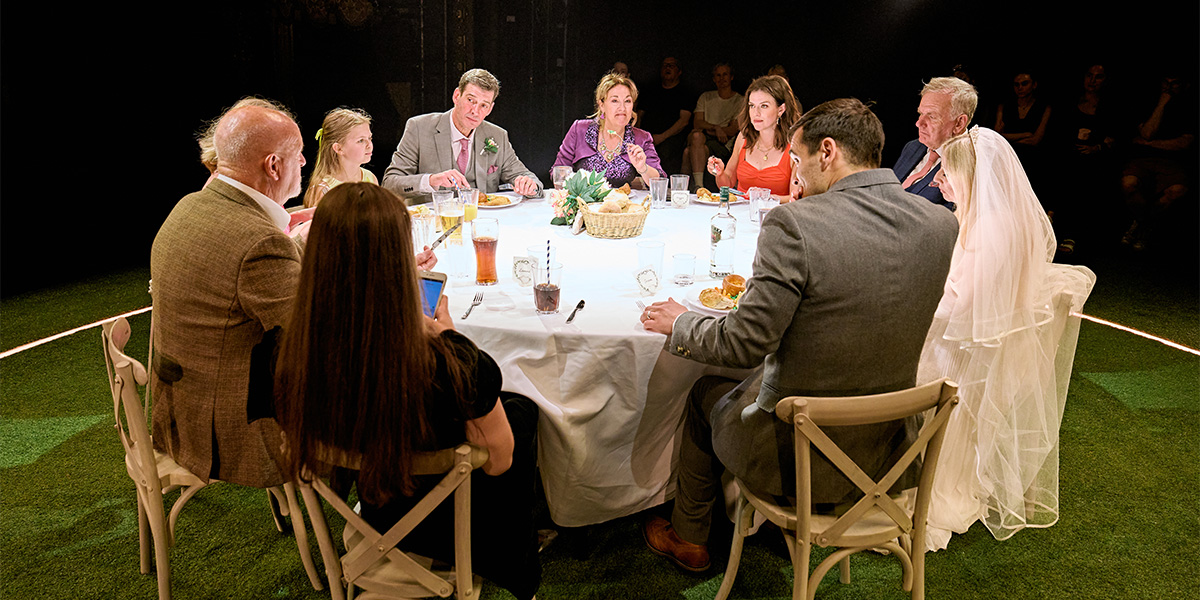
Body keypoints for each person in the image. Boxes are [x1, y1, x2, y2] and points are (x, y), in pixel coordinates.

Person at [639, 98, 959, 571]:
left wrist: (680, 322)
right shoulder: (940, 224)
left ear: (827, 151)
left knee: (705, 391)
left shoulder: (794, 224)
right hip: (888, 454)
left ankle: (688, 535)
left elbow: (742, 343)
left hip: (802, 456)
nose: (796, 171)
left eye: (799, 157)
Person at [274, 183, 541, 599]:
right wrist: (447, 333)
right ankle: (518, 562)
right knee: (520, 414)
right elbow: (499, 464)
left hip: (374, 509)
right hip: (446, 529)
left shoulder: (291, 352)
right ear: (399, 258)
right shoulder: (454, 365)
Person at [918, 127, 1096, 551]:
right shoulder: (986, 218)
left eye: (947, 172)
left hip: (964, 355)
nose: (939, 179)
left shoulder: (991, 233)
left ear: (974, 179)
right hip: (977, 345)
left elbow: (964, 315)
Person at [151, 104, 309, 488]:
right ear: (273, 166)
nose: (304, 161)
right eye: (298, 153)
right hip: (225, 429)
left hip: (174, 411)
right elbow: (319, 333)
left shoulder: (188, 206)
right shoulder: (260, 243)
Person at [382, 68, 542, 204]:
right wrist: (431, 180)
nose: (475, 111)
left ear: (490, 109)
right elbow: (390, 183)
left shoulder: (497, 135)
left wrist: (529, 185)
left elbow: (529, 179)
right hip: (435, 223)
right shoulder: (419, 128)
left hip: (482, 225)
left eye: (483, 105)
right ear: (457, 96)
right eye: (471, 100)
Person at [1119, 72, 1196, 251]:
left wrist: (1149, 144)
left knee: (1177, 190)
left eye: (1174, 83)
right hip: (1143, 159)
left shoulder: (1190, 109)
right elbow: (1147, 132)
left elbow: (1183, 144)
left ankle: (1143, 224)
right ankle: (1144, 222)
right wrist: (1162, 104)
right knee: (1128, 183)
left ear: (1185, 86)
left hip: (1173, 163)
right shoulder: (1148, 103)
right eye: (1165, 83)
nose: (1168, 88)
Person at [554, 72, 662, 188]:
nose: (622, 108)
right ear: (601, 104)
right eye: (615, 101)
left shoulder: (642, 138)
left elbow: (658, 182)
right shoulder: (579, 129)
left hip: (621, 204)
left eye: (627, 101)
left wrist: (643, 168)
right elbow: (558, 172)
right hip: (584, 203)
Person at [706, 75, 802, 201]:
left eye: (764, 106)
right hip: (740, 215)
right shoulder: (743, 137)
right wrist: (720, 173)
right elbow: (727, 185)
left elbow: (795, 198)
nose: (756, 112)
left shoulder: (796, 146)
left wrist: (764, 198)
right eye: (752, 106)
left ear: (781, 109)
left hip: (775, 217)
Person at [892, 76, 977, 211]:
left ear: (959, 123)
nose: (919, 123)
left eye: (932, 116)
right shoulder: (912, 146)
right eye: (921, 113)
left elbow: (950, 223)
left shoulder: (972, 164)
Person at [302, 108, 378, 207]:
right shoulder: (324, 190)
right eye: (361, 140)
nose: (369, 145)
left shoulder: (370, 178)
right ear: (338, 148)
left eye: (370, 138)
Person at [686, 63, 744, 191]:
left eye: (725, 74)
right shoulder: (706, 97)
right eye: (718, 75)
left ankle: (685, 189)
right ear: (713, 79)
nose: (721, 78)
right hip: (705, 138)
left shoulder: (739, 100)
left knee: (687, 152)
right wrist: (717, 128)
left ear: (731, 77)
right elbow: (697, 123)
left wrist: (708, 128)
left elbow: (732, 130)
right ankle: (699, 187)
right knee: (696, 136)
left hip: (723, 144)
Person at [995, 71, 1052, 197]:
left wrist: (1009, 138)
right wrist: (1025, 134)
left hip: (1033, 161)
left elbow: (1036, 140)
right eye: (1017, 85)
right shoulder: (1004, 106)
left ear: (1034, 85)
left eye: (1024, 84)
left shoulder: (1044, 107)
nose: (1020, 88)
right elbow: (997, 136)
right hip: (1008, 159)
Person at [635, 57, 693, 175]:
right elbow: (639, 115)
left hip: (671, 137)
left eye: (671, 66)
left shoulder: (685, 92)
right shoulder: (651, 90)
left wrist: (661, 137)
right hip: (647, 136)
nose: (667, 68)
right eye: (665, 65)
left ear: (679, 72)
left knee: (665, 151)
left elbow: (684, 121)